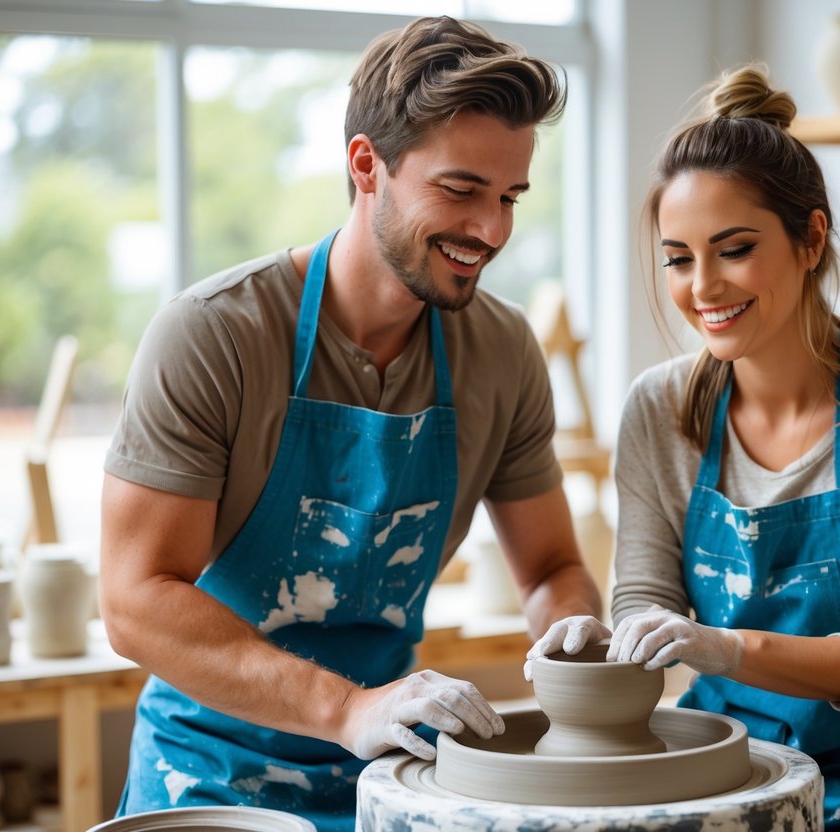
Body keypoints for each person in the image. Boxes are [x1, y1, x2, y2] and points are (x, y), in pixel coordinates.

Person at [99, 16, 604, 830]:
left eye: (509, 197)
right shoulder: (214, 333)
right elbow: (134, 600)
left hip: (395, 769)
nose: (492, 230)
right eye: (461, 190)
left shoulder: (502, 350)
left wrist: (574, 628)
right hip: (210, 773)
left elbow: (547, 566)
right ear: (366, 165)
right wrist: (343, 709)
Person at [536, 64, 840, 829]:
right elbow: (646, 596)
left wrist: (723, 647)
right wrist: (613, 639)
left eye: (734, 249)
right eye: (678, 258)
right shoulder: (658, 409)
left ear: (810, 238)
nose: (702, 287)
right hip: (731, 773)